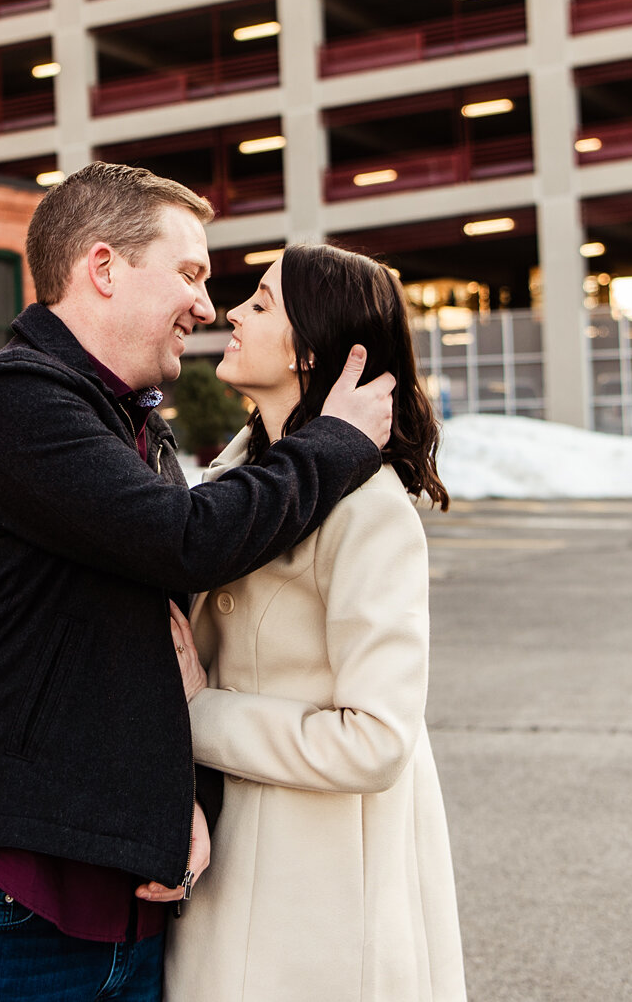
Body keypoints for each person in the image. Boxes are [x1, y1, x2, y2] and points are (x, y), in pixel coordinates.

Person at [0, 164, 397, 1002]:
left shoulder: (130, 425)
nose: (208, 306)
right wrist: (333, 441)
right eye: (189, 273)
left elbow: (138, 640)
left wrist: (169, 800)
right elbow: (183, 544)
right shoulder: (12, 399)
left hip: (119, 918)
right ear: (103, 268)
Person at [165, 243, 466, 1002]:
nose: (231, 312)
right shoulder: (236, 482)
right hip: (228, 875)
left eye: (260, 304)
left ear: (309, 351)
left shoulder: (369, 509)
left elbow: (376, 740)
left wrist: (200, 715)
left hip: (323, 905)